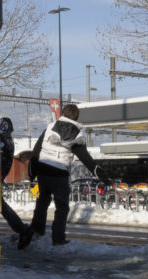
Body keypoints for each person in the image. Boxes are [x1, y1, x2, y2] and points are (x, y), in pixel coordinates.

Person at [19, 103, 105, 250]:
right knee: (62, 207)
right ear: (76, 117)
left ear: (63, 114)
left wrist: (32, 172)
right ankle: (58, 239)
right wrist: (97, 170)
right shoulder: (77, 134)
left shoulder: (50, 127)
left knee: (42, 202)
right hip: (60, 173)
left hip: (43, 170)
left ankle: (36, 230)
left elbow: (36, 149)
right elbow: (84, 156)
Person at [0, 117, 32, 242]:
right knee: (0, 206)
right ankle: (22, 229)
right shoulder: (7, 141)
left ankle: (22, 229)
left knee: (0, 206)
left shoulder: (2, 142)